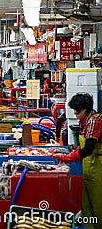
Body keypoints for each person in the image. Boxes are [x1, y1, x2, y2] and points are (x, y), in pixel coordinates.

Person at [51, 93, 102, 228]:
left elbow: (88, 149)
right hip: (89, 166)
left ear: (85, 109)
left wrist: (67, 158)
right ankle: (89, 226)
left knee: (97, 203)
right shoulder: (85, 119)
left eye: (77, 111)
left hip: (98, 166)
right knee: (87, 202)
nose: (75, 114)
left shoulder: (94, 121)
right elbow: (82, 146)